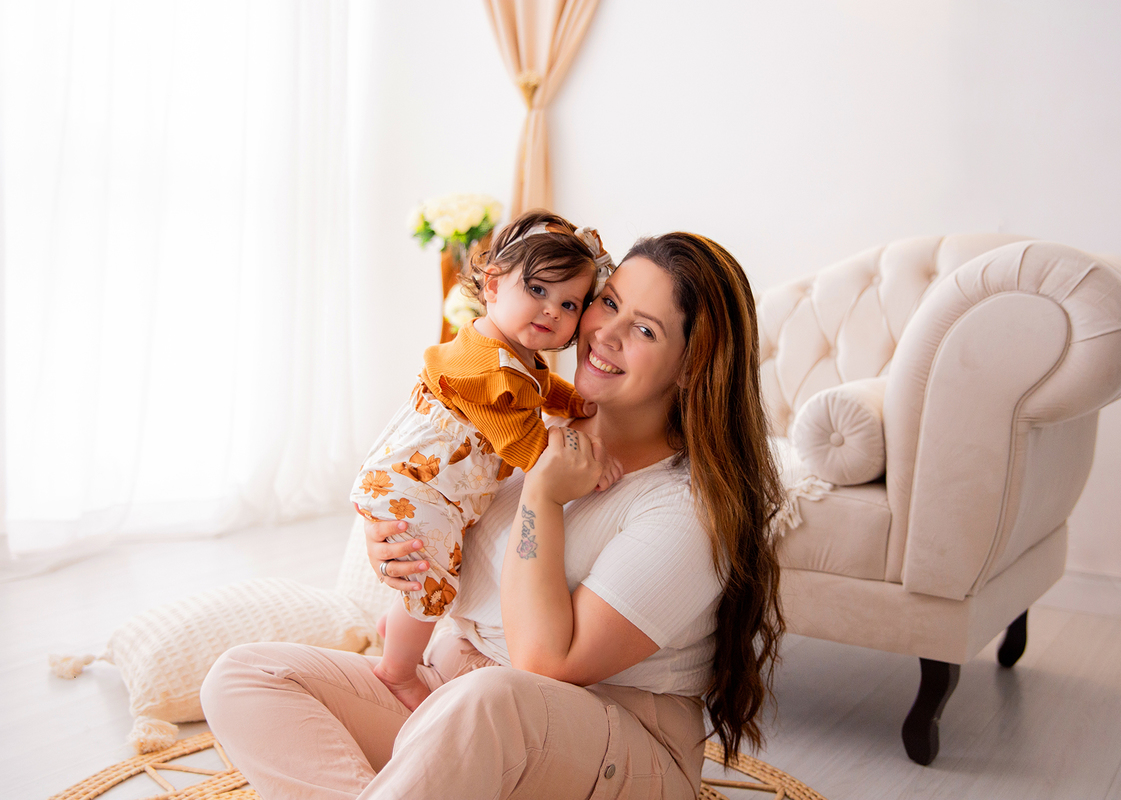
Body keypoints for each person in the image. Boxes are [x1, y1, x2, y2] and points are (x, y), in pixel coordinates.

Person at [201, 232, 785, 800]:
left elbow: (544, 663)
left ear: (691, 366)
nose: (604, 332)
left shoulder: (685, 508)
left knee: (488, 697)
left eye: (644, 329)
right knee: (244, 677)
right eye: (608, 302)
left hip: (612, 746)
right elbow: (442, 506)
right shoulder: (523, 423)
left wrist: (543, 498)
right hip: (455, 702)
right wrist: (396, 539)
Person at [348, 210, 621, 710]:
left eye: (569, 304)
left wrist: (571, 403)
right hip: (415, 487)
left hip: (422, 484)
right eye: (537, 290)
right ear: (492, 284)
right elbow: (525, 444)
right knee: (432, 580)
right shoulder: (486, 369)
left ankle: (395, 626)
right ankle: (396, 671)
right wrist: (586, 468)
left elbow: (538, 386)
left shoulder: (509, 350)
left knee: (425, 569)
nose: (552, 312)